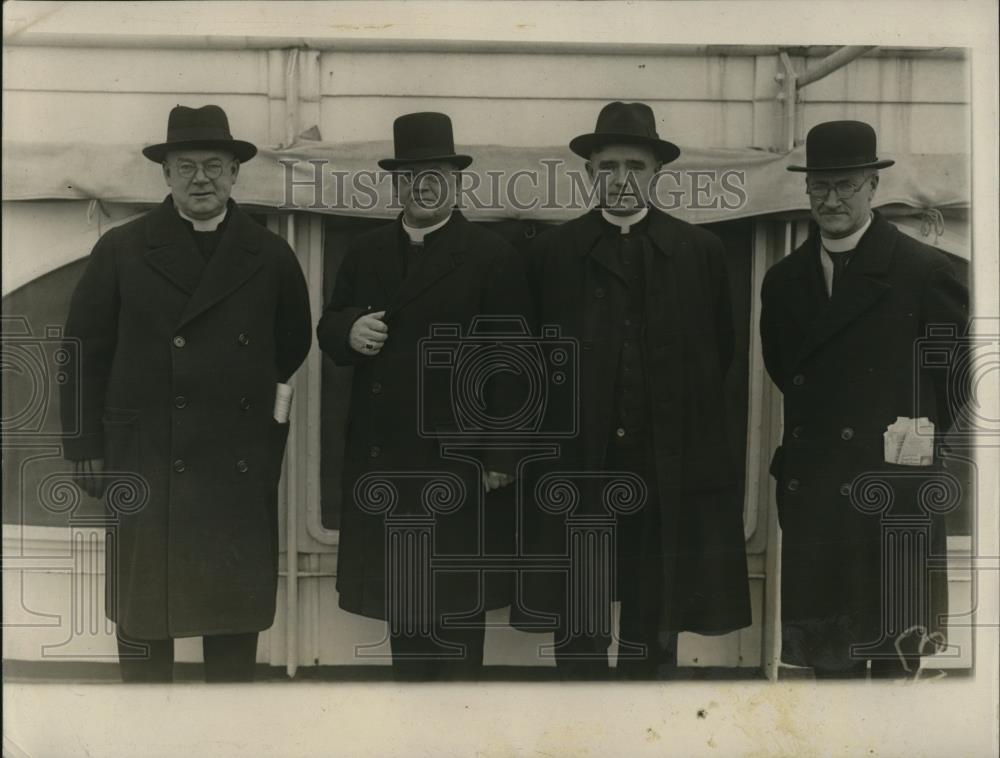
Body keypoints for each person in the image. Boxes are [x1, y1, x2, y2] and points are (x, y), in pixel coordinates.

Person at [60, 104, 313, 682]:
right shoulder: (122, 249)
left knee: (230, 614)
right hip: (146, 458)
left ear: (235, 174)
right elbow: (82, 353)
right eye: (188, 166)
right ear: (166, 174)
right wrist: (84, 446)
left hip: (234, 460)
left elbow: (289, 345)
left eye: (215, 166)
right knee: (146, 613)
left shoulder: (269, 254)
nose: (202, 178)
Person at [515, 101, 751, 679]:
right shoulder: (550, 252)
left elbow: (718, 353)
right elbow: (527, 359)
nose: (621, 181)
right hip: (578, 464)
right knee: (580, 606)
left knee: (656, 602)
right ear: (589, 172)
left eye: (635, 167)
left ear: (657, 173)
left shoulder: (700, 252)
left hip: (663, 461)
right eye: (607, 167)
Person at [317, 112, 530, 680]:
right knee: (405, 611)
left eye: (434, 173)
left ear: (457, 182)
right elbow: (330, 323)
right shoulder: (366, 253)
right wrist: (348, 331)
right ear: (395, 185)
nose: (423, 185)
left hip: (461, 464)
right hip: (387, 461)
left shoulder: (491, 254)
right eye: (411, 175)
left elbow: (513, 365)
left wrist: (501, 456)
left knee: (458, 611)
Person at [760, 120, 969, 679]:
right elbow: (787, 371)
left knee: (895, 665)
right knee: (830, 672)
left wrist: (906, 446)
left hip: (894, 497)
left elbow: (954, 386)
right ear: (806, 190)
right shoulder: (782, 282)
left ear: (873, 188)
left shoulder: (926, 272)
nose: (831, 200)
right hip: (820, 498)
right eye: (820, 187)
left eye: (846, 186)